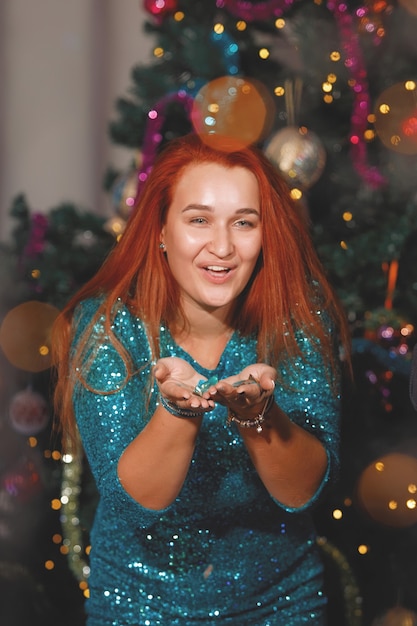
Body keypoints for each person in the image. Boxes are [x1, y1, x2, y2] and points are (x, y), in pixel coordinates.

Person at [52, 133, 350, 626]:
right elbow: (136, 502)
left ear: (264, 234)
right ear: (162, 231)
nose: (223, 246)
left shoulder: (296, 316)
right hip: (138, 607)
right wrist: (180, 411)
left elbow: (304, 492)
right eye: (199, 220)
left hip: (281, 605)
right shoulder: (109, 328)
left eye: (243, 223)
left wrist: (259, 417)